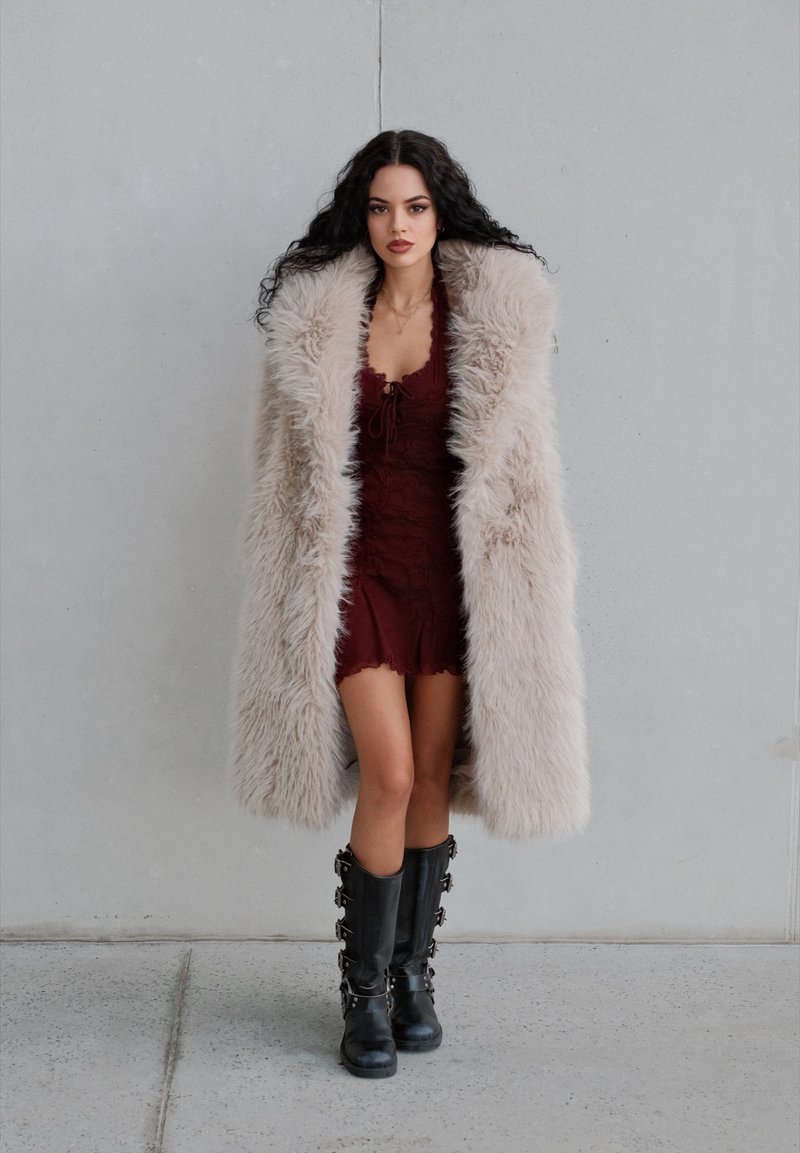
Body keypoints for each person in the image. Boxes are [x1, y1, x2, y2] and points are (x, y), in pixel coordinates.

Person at [231, 130, 589, 1079]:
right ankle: (362, 995)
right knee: (386, 773)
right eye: (383, 206)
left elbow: (526, 480)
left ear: (441, 214)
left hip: (456, 582)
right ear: (363, 214)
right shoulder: (317, 321)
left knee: (431, 781)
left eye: (417, 206)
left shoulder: (494, 319)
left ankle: (411, 977)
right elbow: (278, 478)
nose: (399, 224)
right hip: (352, 580)